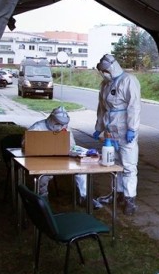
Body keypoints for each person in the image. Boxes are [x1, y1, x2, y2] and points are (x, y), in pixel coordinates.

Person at [93, 54, 141, 215]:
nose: (103, 74)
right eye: (102, 71)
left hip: (124, 129)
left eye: (105, 70)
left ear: (112, 67)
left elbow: (134, 106)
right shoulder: (105, 84)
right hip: (110, 130)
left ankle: (129, 199)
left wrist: (132, 128)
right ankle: (117, 193)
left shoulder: (128, 81)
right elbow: (101, 107)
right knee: (114, 165)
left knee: (128, 165)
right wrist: (99, 127)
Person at [26, 106, 101, 209]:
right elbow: (25, 144)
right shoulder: (38, 127)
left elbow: (72, 146)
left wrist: (79, 152)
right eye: (58, 123)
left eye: (63, 124)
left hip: (62, 159)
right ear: (51, 119)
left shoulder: (64, 129)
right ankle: (42, 199)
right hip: (43, 160)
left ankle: (84, 196)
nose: (60, 126)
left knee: (82, 169)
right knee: (43, 176)